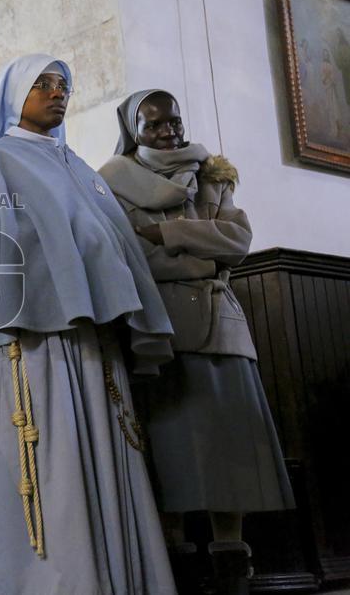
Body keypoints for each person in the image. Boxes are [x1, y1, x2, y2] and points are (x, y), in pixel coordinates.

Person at [0, 54, 177, 595]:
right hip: (34, 347)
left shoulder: (77, 166)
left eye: (63, 85)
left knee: (107, 461)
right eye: (43, 84)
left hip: (95, 343)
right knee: (53, 472)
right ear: (14, 96)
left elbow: (112, 244)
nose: (57, 93)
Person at [99, 89, 295, 595]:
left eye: (175, 121)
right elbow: (126, 256)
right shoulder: (112, 184)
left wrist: (165, 235)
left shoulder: (212, 174)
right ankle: (178, 566)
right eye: (154, 123)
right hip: (156, 331)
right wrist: (199, 247)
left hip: (220, 327)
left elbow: (238, 242)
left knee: (232, 452)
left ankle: (232, 564)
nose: (169, 131)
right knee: (169, 453)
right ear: (132, 129)